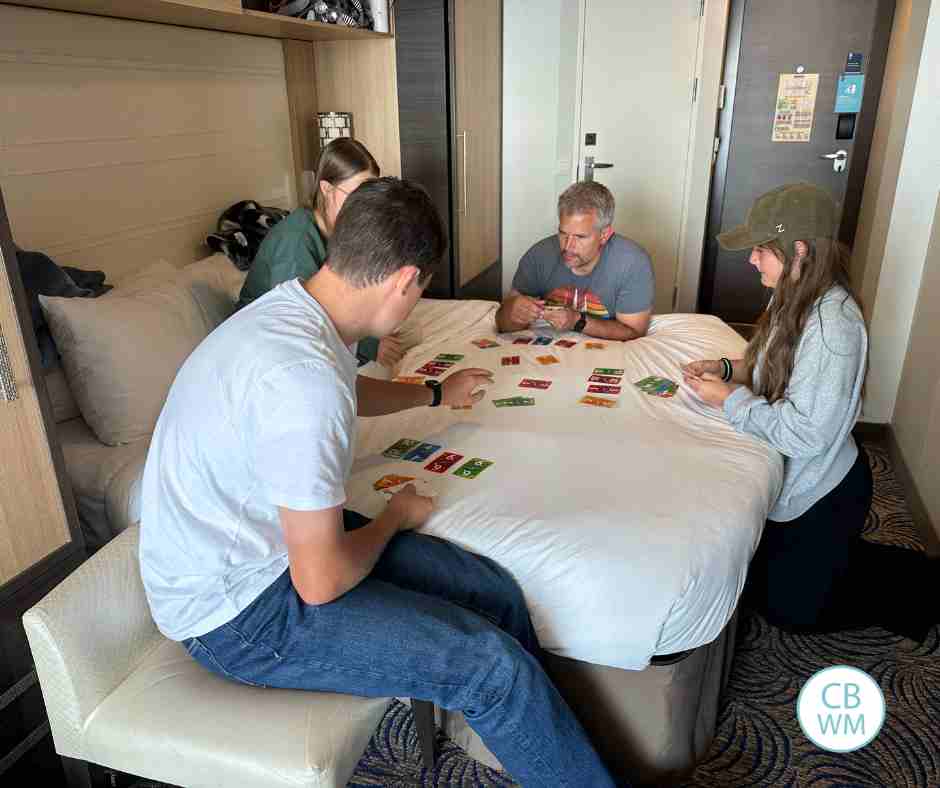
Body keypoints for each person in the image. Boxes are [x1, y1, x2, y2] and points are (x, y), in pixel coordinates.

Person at [140, 177, 619, 788]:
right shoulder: (302, 381)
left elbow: (347, 387)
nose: (416, 303)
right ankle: (529, 723)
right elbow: (321, 582)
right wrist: (395, 516)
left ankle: (536, 740)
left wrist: (435, 392)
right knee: (491, 668)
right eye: (421, 291)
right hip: (237, 617)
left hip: (270, 547)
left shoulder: (300, 309)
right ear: (405, 280)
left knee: (491, 588)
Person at [682, 182, 933, 641]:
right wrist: (725, 369)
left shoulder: (832, 324)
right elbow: (771, 367)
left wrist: (728, 399)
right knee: (761, 582)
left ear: (798, 249)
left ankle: (927, 583)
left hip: (823, 489)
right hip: (797, 479)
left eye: (760, 249)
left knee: (793, 611)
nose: (751, 259)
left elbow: (806, 434)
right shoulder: (793, 294)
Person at [237, 137, 401, 367]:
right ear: (327, 189)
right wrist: (369, 345)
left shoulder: (338, 229)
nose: (363, 206)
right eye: (355, 195)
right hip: (261, 345)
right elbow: (299, 318)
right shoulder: (296, 240)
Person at [496, 182, 654, 341]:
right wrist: (512, 312)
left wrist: (577, 321)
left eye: (580, 237)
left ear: (604, 235)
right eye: (563, 233)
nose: (568, 247)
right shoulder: (538, 255)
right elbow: (502, 323)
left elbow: (634, 332)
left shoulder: (633, 262)